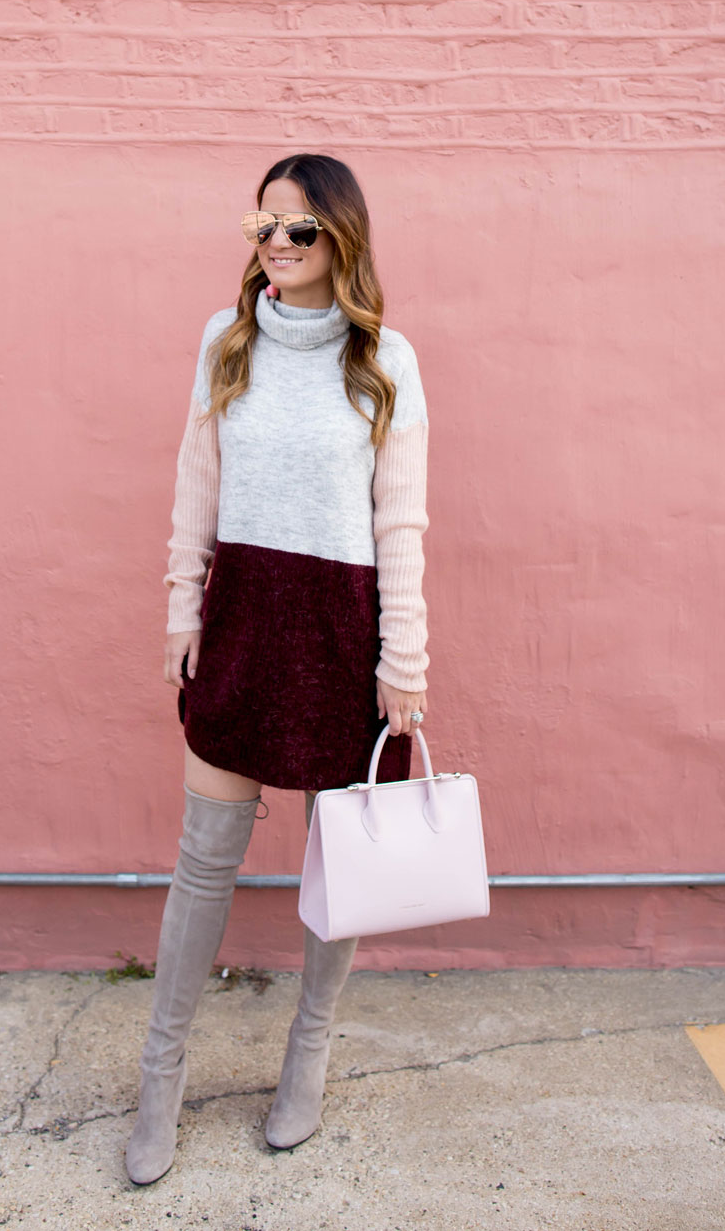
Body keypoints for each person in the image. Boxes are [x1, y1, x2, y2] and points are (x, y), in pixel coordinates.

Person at [125, 152, 430, 1185]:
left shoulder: (385, 356)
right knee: (202, 865)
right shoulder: (227, 340)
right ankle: (158, 1078)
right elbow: (193, 483)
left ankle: (307, 1057)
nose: (278, 245)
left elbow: (401, 522)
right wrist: (181, 611)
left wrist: (407, 662)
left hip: (340, 631)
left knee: (335, 862)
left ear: (340, 239)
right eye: (264, 225)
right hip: (244, 618)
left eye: (300, 229)